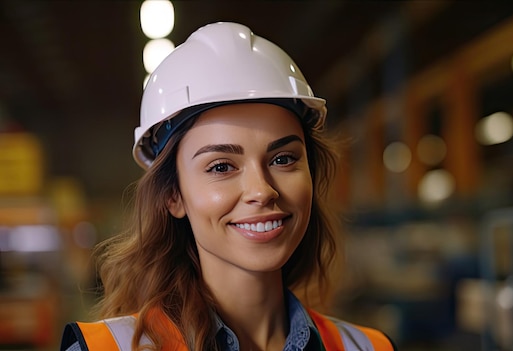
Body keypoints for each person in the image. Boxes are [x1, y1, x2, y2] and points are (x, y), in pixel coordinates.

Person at [60, 22, 396, 351]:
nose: (262, 190)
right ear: (172, 195)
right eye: (221, 166)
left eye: (283, 159)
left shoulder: (368, 346)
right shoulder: (109, 347)